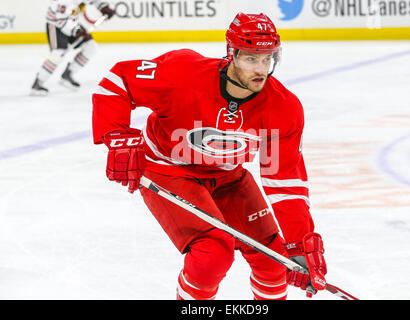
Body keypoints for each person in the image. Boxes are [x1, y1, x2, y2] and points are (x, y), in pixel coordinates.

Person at [92, 12, 327, 300]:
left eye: (268, 58)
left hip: (228, 175)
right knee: (212, 255)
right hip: (169, 169)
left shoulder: (283, 108)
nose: (261, 69)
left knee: (275, 261)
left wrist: (300, 244)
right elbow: (118, 81)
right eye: (251, 58)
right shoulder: (183, 73)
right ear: (231, 54)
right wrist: (116, 137)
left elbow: (286, 183)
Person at [30, 0, 115, 95]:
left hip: (72, 21)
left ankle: (68, 74)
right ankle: (38, 83)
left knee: (91, 47)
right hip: (56, 24)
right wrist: (77, 31)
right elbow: (60, 20)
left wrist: (103, 7)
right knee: (58, 54)